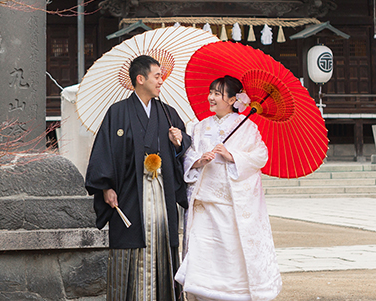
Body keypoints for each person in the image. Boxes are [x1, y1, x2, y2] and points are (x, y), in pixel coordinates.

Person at [85, 54, 192, 301]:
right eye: (157, 76)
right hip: (130, 195)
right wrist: (106, 188)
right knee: (129, 248)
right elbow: (104, 151)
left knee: (163, 243)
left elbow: (185, 149)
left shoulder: (167, 113)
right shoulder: (118, 112)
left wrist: (179, 142)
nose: (161, 81)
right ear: (140, 79)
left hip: (162, 193)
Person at [175, 75, 282, 301]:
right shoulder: (200, 126)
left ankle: (233, 295)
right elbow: (189, 155)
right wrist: (199, 160)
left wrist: (232, 156)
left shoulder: (247, 127)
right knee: (203, 255)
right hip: (204, 204)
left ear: (234, 99)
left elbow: (260, 156)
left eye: (217, 93)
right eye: (211, 92)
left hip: (231, 206)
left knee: (230, 258)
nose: (211, 97)